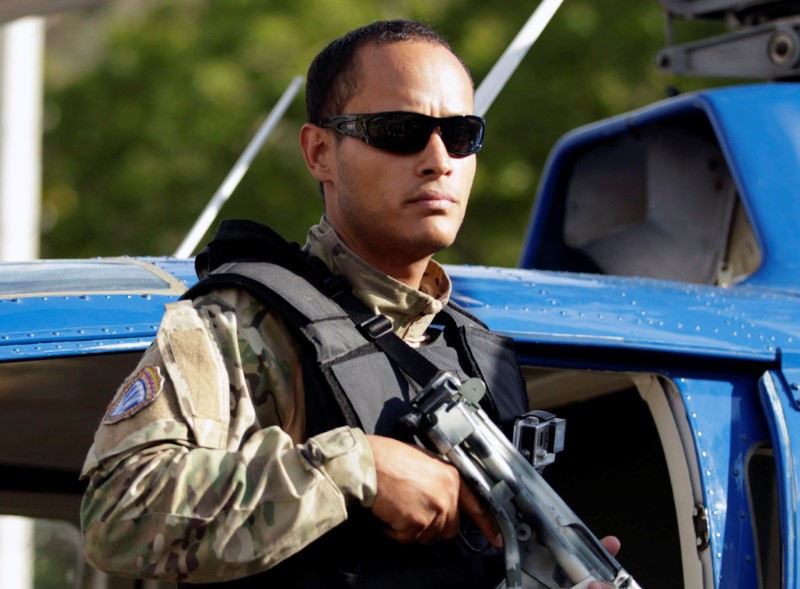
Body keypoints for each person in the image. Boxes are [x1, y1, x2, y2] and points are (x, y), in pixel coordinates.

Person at [80, 19, 618, 589]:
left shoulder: (484, 358)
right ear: (319, 152)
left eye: (461, 134)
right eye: (398, 130)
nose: (439, 159)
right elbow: (119, 514)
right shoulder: (245, 327)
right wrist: (354, 466)